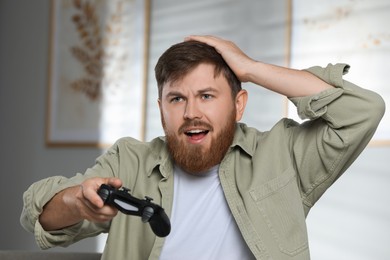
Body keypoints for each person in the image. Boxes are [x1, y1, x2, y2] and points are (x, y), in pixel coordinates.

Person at [21, 35, 385, 260]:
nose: (191, 113)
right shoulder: (130, 160)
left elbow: (363, 111)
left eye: (207, 96)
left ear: (239, 104)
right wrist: (76, 201)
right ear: (161, 108)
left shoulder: (283, 154)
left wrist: (252, 68)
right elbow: (38, 217)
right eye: (176, 98)